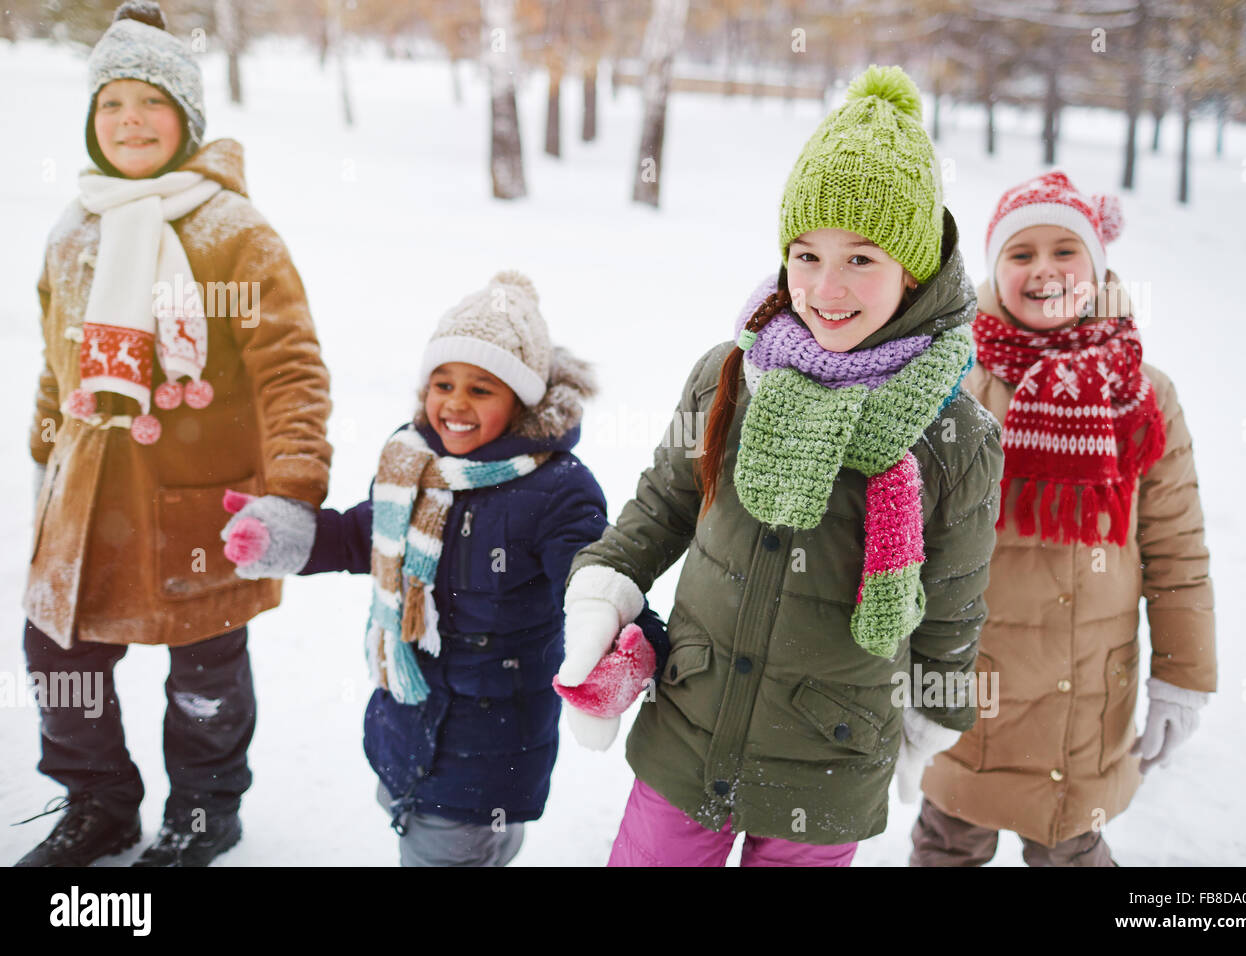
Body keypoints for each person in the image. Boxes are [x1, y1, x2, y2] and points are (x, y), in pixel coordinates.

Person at [553, 66, 1004, 866]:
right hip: (689, 731)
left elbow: (953, 603)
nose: (826, 287)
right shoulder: (731, 372)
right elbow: (664, 503)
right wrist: (603, 588)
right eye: (806, 254)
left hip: (833, 754)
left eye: (862, 258)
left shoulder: (954, 431)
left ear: (915, 269)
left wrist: (932, 716)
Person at [17, 1, 331, 867]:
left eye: (149, 103)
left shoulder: (234, 232)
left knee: (205, 673)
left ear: (186, 118)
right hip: (87, 504)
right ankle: (99, 804)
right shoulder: (75, 227)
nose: (129, 121)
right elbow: (58, 363)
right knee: (58, 655)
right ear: (92, 122)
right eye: (111, 104)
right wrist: (47, 454)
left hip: (199, 503)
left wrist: (295, 489)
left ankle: (204, 810)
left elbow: (291, 369)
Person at [226, 270, 665, 866]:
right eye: (442, 383)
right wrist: (284, 539)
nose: (454, 404)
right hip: (406, 713)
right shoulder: (411, 460)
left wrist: (630, 643)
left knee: (447, 844)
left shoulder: (556, 490)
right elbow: (364, 535)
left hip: (491, 735)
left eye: (482, 389)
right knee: (431, 822)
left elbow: (589, 582)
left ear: (523, 402)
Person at [911, 170, 1216, 866]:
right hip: (967, 682)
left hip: (1083, 692)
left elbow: (1177, 548)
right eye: (1021, 254)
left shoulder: (1143, 392)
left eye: (1064, 250)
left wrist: (1183, 675)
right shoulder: (955, 377)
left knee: (1071, 845)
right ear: (994, 270)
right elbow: (901, 533)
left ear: (1096, 263)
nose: (1044, 270)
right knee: (948, 839)